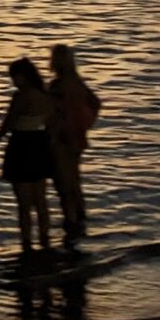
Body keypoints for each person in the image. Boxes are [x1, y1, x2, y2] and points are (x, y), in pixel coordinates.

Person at [0, 57, 55, 254]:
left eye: (14, 77)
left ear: (23, 77)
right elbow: (52, 122)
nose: (13, 81)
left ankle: (26, 242)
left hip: (21, 146)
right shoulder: (45, 95)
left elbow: (10, 121)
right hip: (40, 145)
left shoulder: (21, 97)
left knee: (23, 203)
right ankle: (45, 239)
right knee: (41, 200)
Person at [45, 43, 101, 245]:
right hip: (77, 137)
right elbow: (96, 102)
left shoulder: (57, 87)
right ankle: (80, 219)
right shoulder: (78, 82)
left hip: (61, 139)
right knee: (75, 181)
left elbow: (51, 113)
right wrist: (86, 123)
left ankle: (71, 224)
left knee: (63, 185)